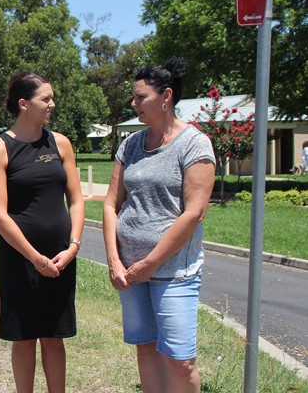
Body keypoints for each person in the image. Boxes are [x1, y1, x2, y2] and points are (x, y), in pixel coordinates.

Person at [102, 57, 216, 392]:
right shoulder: (131, 145)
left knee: (180, 361)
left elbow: (194, 213)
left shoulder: (195, 144)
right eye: (134, 98)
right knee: (146, 347)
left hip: (173, 273)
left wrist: (150, 264)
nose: (133, 103)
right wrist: (114, 261)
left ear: (166, 96)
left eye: (140, 97)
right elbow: (111, 204)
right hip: (129, 273)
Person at [0, 71, 85, 393]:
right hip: (20, 259)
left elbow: (77, 199)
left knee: (54, 339)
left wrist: (73, 246)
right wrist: (35, 258)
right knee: (25, 339)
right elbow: (0, 215)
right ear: (24, 104)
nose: (52, 104)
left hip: (61, 257)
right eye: (46, 99)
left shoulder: (60, 143)